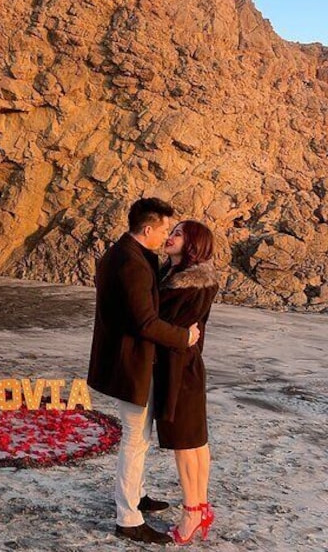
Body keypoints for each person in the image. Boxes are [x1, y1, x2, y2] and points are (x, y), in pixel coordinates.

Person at [87, 198, 201, 545]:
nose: (167, 235)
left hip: (128, 360)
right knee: (134, 441)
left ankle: (136, 495)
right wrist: (185, 336)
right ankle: (128, 516)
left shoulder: (128, 253)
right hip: (130, 364)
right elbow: (144, 322)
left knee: (140, 439)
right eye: (165, 229)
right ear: (148, 229)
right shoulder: (131, 264)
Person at [154, 221, 219, 544]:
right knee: (194, 442)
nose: (170, 237)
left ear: (193, 243)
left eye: (178, 234)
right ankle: (201, 506)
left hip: (180, 370)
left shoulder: (190, 286)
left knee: (185, 444)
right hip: (187, 367)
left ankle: (192, 511)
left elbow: (156, 324)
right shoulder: (176, 278)